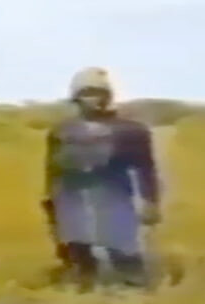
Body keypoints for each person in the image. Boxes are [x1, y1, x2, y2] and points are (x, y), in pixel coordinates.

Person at [44, 67, 162, 290]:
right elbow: (52, 167)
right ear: (76, 97)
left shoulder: (131, 131)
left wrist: (150, 200)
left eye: (98, 92)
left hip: (114, 198)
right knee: (78, 253)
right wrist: (49, 198)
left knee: (124, 252)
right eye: (86, 93)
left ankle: (135, 292)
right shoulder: (62, 131)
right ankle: (85, 288)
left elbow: (146, 168)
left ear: (108, 95)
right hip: (72, 199)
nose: (93, 98)